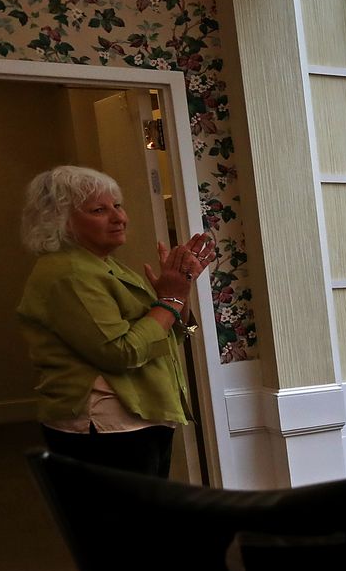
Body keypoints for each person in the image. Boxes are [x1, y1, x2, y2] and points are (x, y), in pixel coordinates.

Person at [16, 165, 214, 478]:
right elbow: (122, 352)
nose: (119, 217)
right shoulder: (71, 274)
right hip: (107, 425)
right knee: (125, 525)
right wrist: (171, 299)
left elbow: (167, 334)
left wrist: (178, 290)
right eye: (99, 209)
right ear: (60, 221)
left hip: (138, 416)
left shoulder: (103, 265)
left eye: (117, 206)